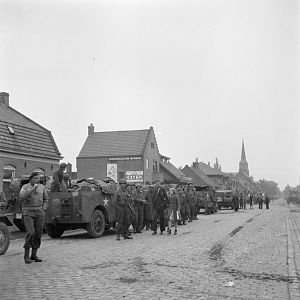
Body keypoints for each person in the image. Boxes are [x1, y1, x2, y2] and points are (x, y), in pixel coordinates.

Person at [19, 172, 48, 264]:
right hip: (28, 212)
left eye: (38, 178)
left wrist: (43, 208)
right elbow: (22, 196)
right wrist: (31, 189)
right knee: (31, 232)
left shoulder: (42, 187)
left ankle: (34, 254)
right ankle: (26, 254)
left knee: (38, 233)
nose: (37, 180)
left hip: (39, 212)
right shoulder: (25, 187)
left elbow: (46, 198)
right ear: (31, 179)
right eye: (35, 178)